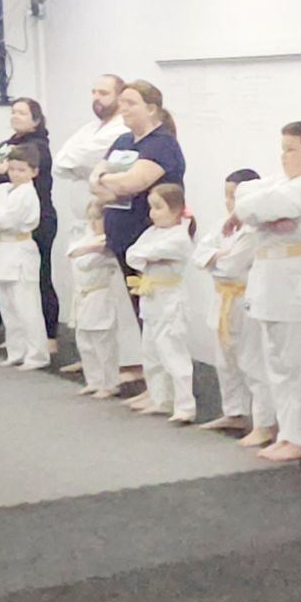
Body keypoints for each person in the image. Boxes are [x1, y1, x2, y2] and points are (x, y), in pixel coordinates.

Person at [234, 122, 301, 463]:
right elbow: (244, 196)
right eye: (283, 149)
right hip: (270, 284)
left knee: (297, 364)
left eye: (292, 150)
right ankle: (287, 432)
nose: (284, 156)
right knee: (276, 363)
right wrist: (260, 214)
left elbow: (261, 206)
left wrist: (259, 215)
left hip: (296, 286)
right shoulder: (279, 184)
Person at [90, 78, 186, 370]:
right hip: (122, 237)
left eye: (131, 103)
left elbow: (132, 183)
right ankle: (150, 377)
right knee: (138, 312)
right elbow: (96, 183)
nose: (124, 109)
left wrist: (107, 180)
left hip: (149, 237)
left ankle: (168, 382)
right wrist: (108, 182)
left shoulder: (162, 144)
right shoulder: (122, 141)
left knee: (158, 319)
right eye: (122, 103)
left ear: (152, 108)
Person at [52, 73, 131, 377]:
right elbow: (62, 161)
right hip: (82, 220)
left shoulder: (121, 130)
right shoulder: (88, 129)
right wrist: (82, 166)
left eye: (104, 92)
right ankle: (93, 360)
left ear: (120, 96)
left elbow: (87, 157)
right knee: (84, 293)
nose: (97, 98)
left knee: (112, 297)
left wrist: (82, 165)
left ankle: (126, 362)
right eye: (94, 92)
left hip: (106, 217)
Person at [0, 97, 57, 350]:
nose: (15, 116)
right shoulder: (7, 144)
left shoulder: (39, 146)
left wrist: (1, 171)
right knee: (2, 277)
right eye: (13, 111)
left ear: (36, 119)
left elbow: (14, 175)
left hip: (34, 221)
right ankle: (8, 329)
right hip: (4, 223)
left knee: (38, 278)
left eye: (22, 113)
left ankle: (49, 334)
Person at [193, 169, 262, 433]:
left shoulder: (255, 230)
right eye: (227, 195)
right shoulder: (221, 225)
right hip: (221, 298)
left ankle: (262, 422)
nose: (229, 202)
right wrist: (218, 256)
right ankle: (234, 413)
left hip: (244, 299)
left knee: (250, 362)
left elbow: (232, 266)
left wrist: (215, 258)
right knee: (225, 361)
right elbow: (198, 254)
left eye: (234, 196)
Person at [124, 182, 198, 424]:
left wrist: (148, 255)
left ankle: (185, 406)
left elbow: (147, 253)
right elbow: (132, 254)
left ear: (175, 210)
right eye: (151, 208)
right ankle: (161, 398)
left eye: (158, 207)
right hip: (151, 299)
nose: (152, 213)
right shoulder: (152, 232)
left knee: (173, 354)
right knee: (151, 353)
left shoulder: (180, 237)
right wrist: (148, 255)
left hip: (170, 302)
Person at [0, 145, 48, 370]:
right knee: (7, 304)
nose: (16, 174)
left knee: (26, 305)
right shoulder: (2, 189)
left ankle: (37, 354)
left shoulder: (28, 194)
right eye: (12, 169)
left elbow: (8, 220)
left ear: (34, 172)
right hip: (1, 249)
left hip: (20, 247)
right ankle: (16, 351)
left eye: (22, 170)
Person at [65, 201, 123, 398]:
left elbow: (86, 260)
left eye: (98, 218)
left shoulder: (111, 244)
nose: (93, 223)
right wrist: (90, 248)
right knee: (84, 340)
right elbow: (72, 253)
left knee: (103, 341)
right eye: (91, 218)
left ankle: (110, 383)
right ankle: (94, 380)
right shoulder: (87, 239)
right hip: (82, 295)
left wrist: (89, 250)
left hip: (100, 294)